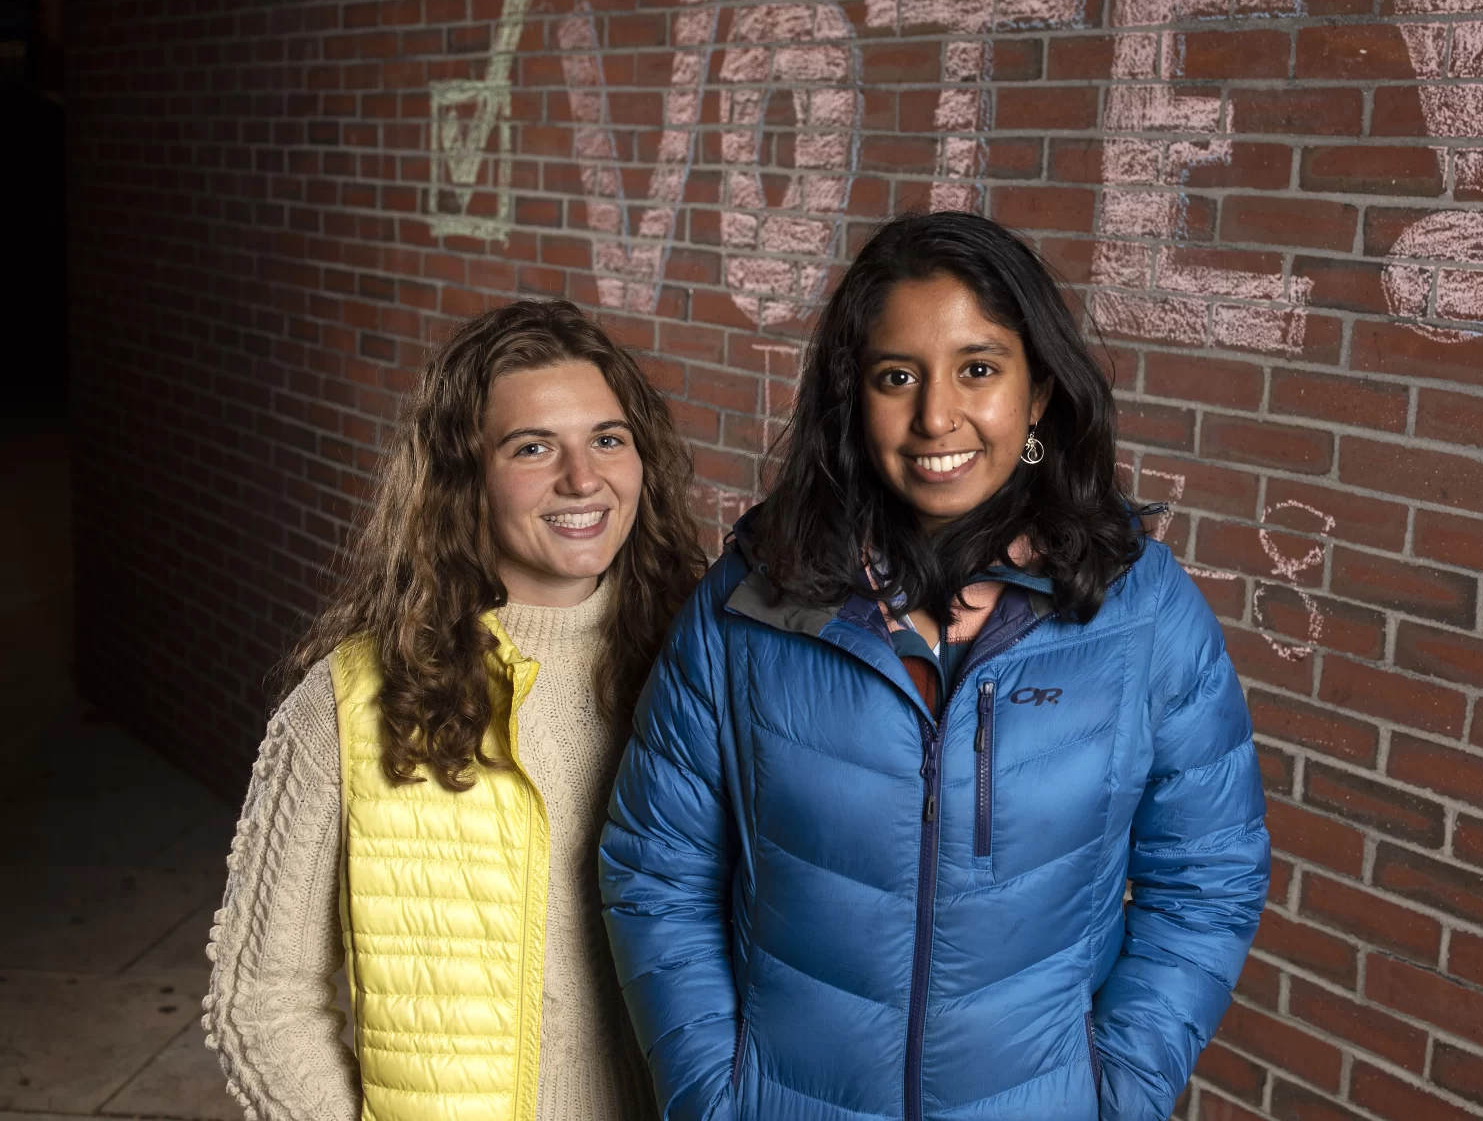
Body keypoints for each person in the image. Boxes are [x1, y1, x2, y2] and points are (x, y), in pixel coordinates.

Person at [600, 212, 1270, 1121]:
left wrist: (1116, 1094)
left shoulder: (1140, 610)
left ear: (1037, 395)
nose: (935, 416)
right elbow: (656, 864)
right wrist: (710, 1094)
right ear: (853, 397)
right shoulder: (752, 603)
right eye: (896, 376)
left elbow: (1210, 872)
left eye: (978, 368)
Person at [205, 299, 705, 1121]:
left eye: (607, 438)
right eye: (533, 447)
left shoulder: (703, 671)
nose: (582, 478)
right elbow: (260, 997)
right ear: (462, 475)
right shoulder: (350, 702)